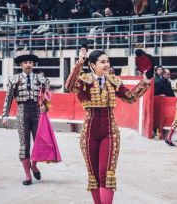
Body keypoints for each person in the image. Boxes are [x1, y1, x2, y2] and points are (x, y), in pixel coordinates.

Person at [65, 49, 152, 204]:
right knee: (94, 176)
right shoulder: (84, 80)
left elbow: (131, 98)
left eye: (107, 61)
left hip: (110, 132)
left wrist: (145, 79)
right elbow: (69, 86)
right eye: (102, 62)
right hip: (89, 134)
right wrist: (79, 62)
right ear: (92, 65)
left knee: (107, 174)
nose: (106, 65)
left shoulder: (113, 81)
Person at [2, 54, 50, 185]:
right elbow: (8, 98)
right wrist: (4, 115)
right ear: (21, 65)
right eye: (25, 63)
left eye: (30, 62)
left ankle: (34, 166)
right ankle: (28, 176)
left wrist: (45, 107)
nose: (28, 64)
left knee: (39, 143)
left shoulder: (41, 79)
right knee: (24, 146)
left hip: (36, 113)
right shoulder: (14, 79)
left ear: (33, 64)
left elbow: (47, 96)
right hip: (22, 112)